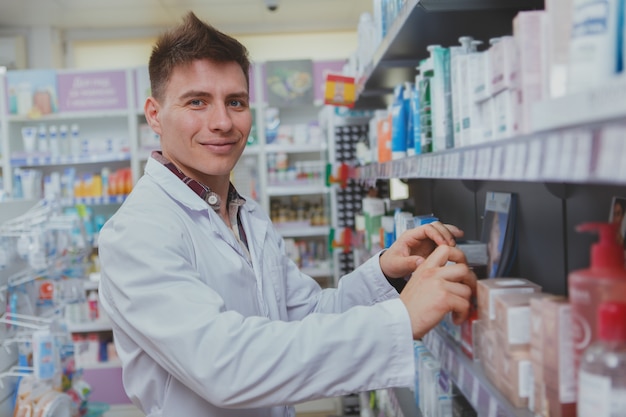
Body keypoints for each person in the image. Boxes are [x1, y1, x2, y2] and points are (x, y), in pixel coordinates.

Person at [97, 11, 477, 417]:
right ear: (154, 114)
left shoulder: (246, 215)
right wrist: (401, 319)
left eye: (236, 102)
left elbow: (306, 317)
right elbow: (227, 365)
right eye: (197, 102)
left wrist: (385, 272)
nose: (223, 122)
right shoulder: (138, 232)